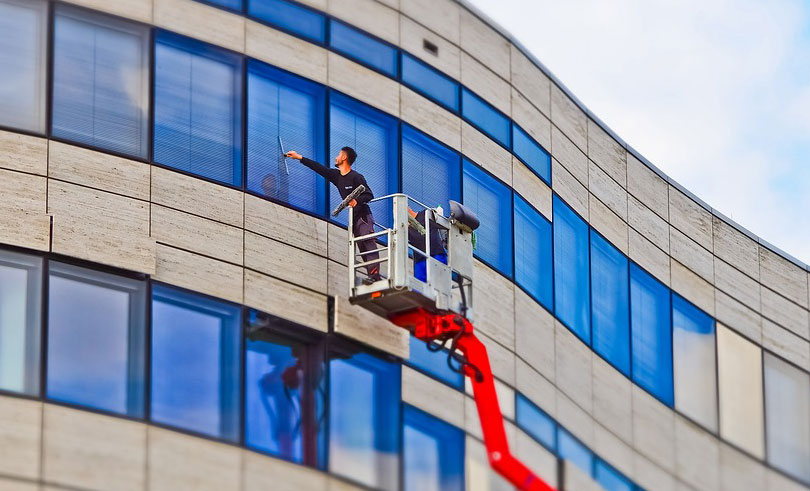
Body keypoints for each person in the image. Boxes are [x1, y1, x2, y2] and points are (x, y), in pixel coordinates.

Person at [285, 147, 382, 283]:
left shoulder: (356, 177)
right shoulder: (337, 176)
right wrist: (299, 157)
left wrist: (357, 200)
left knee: (368, 244)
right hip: (353, 219)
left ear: (344, 157)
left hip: (363, 217)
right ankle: (373, 277)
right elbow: (320, 168)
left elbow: (369, 194)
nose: (336, 157)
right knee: (361, 247)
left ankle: (375, 276)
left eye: (338, 155)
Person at [408, 206, 447, 282]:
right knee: (420, 288)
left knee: (438, 283)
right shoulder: (407, 228)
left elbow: (439, 218)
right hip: (420, 260)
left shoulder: (425, 214)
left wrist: (437, 212)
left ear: (408, 209)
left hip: (436, 254)